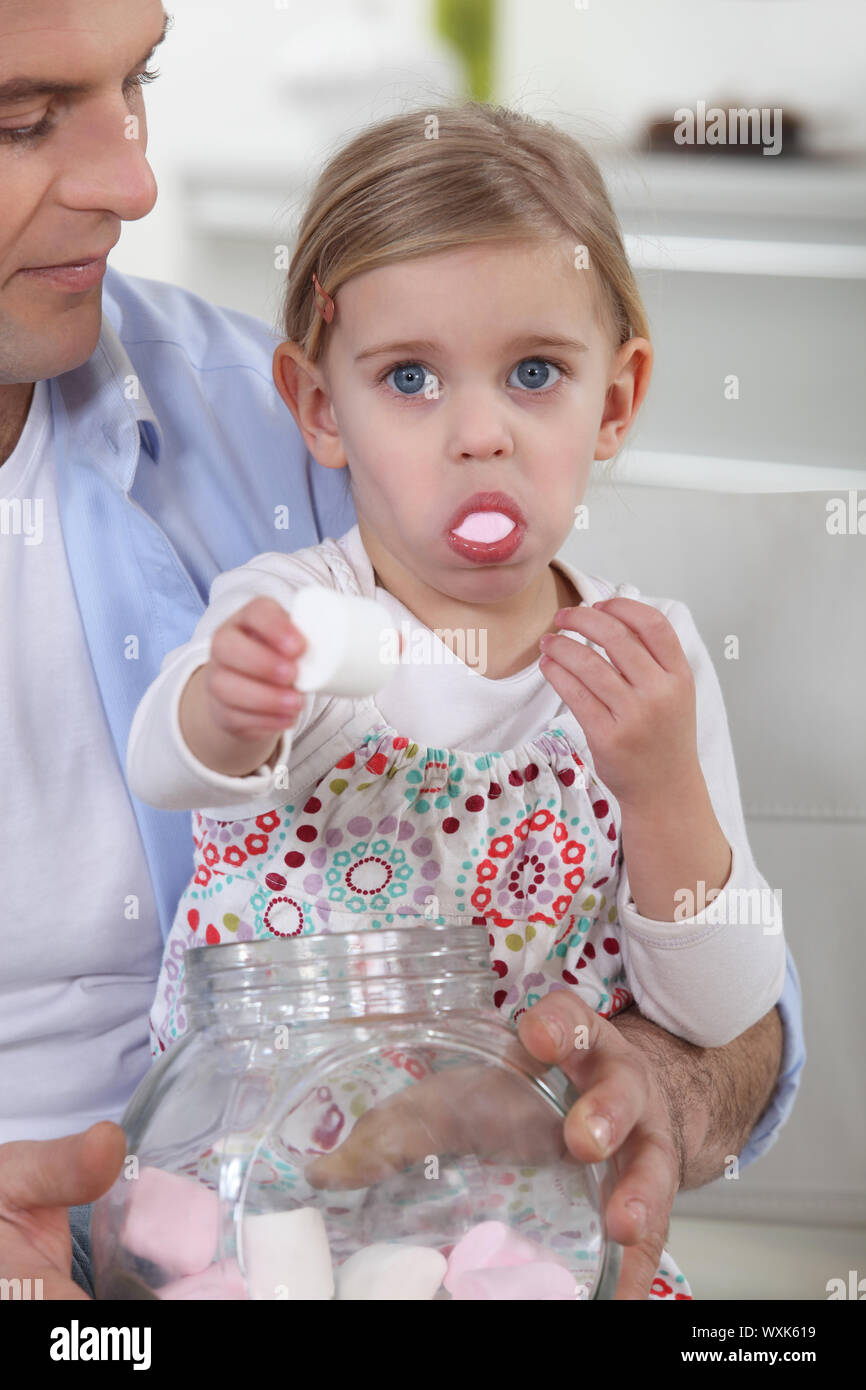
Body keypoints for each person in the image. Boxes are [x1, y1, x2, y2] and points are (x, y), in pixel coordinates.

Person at [0, 0, 803, 1303]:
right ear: (321, 403)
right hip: (238, 1222)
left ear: (619, 398)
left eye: (533, 373)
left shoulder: (639, 661)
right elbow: (183, 751)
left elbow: (730, 1009)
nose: (475, 432)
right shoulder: (301, 609)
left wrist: (662, 798)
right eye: (23, 119)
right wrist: (232, 703)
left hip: (501, 1225)